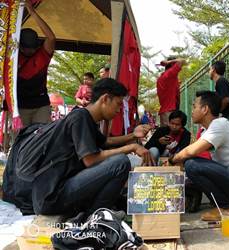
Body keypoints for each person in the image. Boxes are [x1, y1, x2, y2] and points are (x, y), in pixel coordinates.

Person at [29, 78, 155, 221]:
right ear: (105, 99)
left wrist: (133, 135)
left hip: (60, 189)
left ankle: (98, 210)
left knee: (118, 162)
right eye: (118, 104)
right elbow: (90, 159)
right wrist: (132, 147)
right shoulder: (80, 117)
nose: (119, 110)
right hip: (53, 195)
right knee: (120, 163)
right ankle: (96, 216)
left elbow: (106, 142)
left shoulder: (87, 119)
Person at [168, 91, 229, 221]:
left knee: (192, 164)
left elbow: (191, 151)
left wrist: (172, 160)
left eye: (195, 106)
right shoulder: (209, 129)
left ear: (205, 109)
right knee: (191, 165)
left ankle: (225, 207)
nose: (192, 111)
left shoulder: (220, 124)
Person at [17, 0, 56, 127]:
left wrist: (32, 11)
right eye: (27, 47)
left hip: (41, 105)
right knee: (21, 141)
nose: (31, 50)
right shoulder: (13, 56)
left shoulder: (42, 54)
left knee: (41, 138)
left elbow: (51, 38)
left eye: (33, 47)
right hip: (20, 106)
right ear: (20, 47)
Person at [157, 57, 187, 126]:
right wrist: (169, 62)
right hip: (169, 112)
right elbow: (182, 61)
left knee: (167, 135)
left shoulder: (163, 77)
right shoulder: (170, 74)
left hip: (166, 111)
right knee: (170, 135)